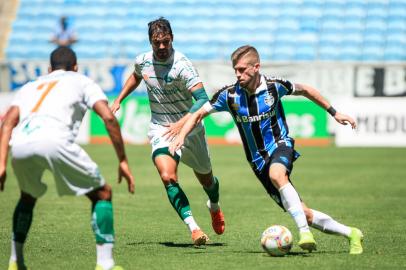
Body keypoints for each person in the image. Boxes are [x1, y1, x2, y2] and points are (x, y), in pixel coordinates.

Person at [169, 45, 364, 254]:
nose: (238, 74)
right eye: (235, 69)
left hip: (280, 145)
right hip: (257, 162)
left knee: (277, 174)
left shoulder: (274, 86)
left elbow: (306, 90)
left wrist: (335, 113)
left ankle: (304, 233)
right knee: (302, 211)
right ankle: (351, 233)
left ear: (256, 67)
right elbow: (198, 114)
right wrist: (181, 135)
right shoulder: (229, 95)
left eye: (242, 69)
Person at [0, 46, 135, 270]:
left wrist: (2, 163)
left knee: (27, 197)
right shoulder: (81, 81)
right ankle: (105, 264)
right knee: (103, 193)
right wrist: (122, 160)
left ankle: (15, 261)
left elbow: (7, 123)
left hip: (21, 144)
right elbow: (108, 118)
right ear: (75, 67)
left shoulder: (30, 86)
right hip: (55, 140)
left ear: (49, 68)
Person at [110, 17, 224, 246]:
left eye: (166, 42)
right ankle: (194, 228)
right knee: (167, 176)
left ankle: (214, 206)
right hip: (161, 128)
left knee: (207, 180)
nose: (162, 47)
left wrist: (182, 124)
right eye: (156, 43)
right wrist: (120, 98)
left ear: (172, 39)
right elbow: (135, 76)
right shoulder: (142, 61)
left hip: (190, 128)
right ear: (150, 42)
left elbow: (202, 99)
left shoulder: (182, 64)